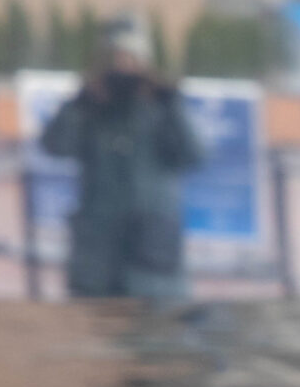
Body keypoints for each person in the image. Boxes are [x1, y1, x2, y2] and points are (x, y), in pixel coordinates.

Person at [39, 16, 201, 302]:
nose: (123, 67)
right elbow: (54, 146)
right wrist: (81, 104)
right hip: (99, 259)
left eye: (131, 58)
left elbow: (194, 156)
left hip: (152, 256)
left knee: (156, 338)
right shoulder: (89, 107)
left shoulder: (161, 106)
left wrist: (171, 106)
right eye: (115, 59)